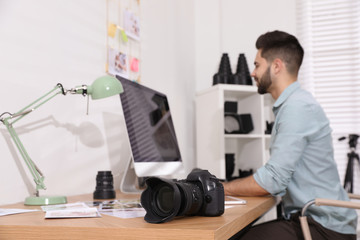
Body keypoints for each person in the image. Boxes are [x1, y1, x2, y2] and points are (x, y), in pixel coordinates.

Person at [222, 30, 357, 240]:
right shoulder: (295, 105)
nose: (252, 72)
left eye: (257, 65)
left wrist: (223, 188)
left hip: (325, 227)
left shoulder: (297, 108)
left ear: (276, 66)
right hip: (315, 219)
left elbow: (273, 180)